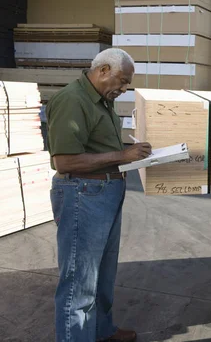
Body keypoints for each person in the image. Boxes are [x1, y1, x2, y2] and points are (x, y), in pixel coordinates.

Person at [47, 48, 152, 341]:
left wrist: (132, 155)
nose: (124, 88)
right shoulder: (72, 100)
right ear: (103, 70)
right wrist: (123, 154)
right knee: (79, 282)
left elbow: (98, 146)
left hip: (104, 191)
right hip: (83, 194)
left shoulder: (100, 99)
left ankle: (101, 330)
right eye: (122, 80)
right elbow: (65, 161)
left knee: (102, 276)